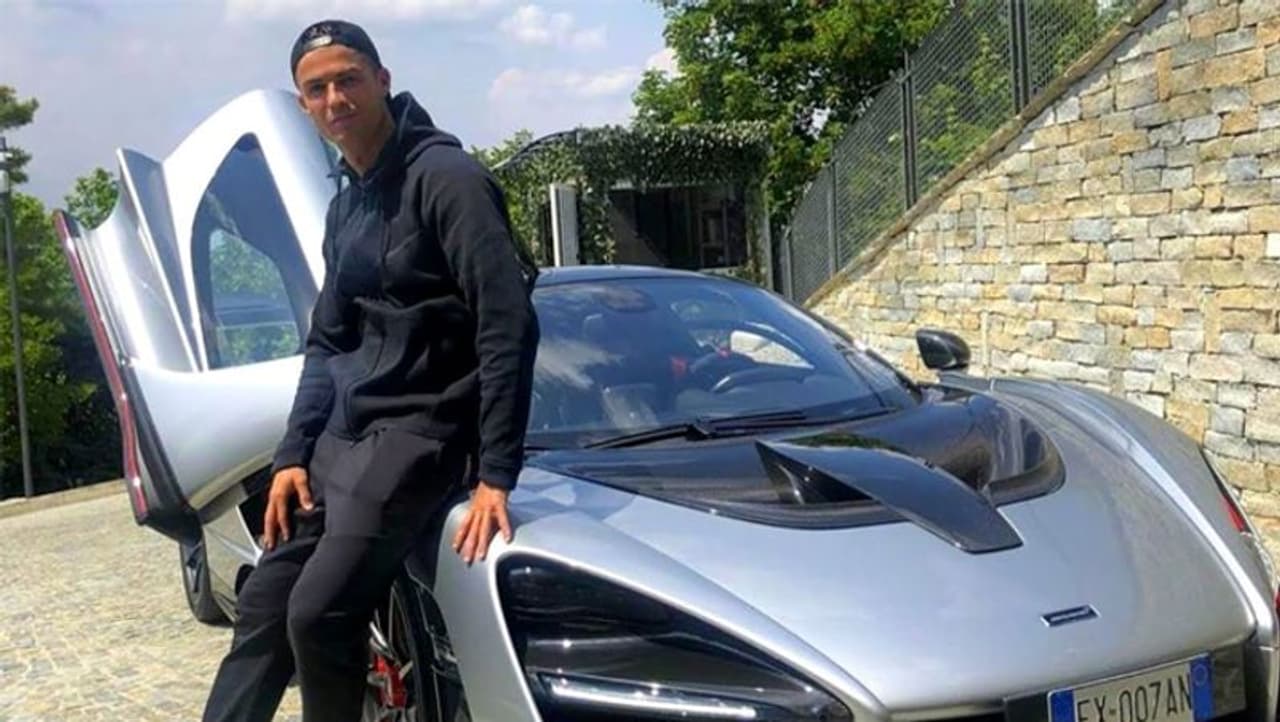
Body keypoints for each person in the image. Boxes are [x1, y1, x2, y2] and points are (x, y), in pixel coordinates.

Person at [201, 19, 540, 722]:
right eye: (316, 89)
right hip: (344, 441)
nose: (335, 99)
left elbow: (507, 323)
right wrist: (292, 455)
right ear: (303, 105)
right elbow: (327, 341)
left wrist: (496, 473)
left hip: (421, 436)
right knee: (264, 606)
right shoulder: (346, 205)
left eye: (348, 80)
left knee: (318, 613)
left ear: (382, 81)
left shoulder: (448, 180)